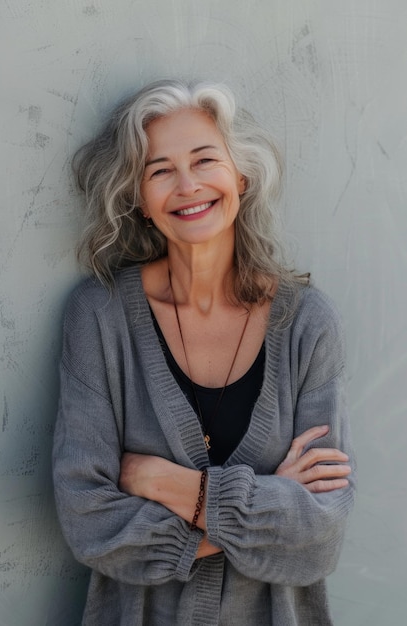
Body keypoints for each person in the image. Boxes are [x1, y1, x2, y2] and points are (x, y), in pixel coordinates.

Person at [53, 79, 355, 625]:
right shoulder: (100, 317)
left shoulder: (308, 323)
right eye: (160, 170)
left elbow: (318, 536)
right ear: (140, 201)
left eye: (204, 160)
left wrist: (167, 484)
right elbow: (87, 519)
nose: (188, 185)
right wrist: (262, 508)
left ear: (240, 175)